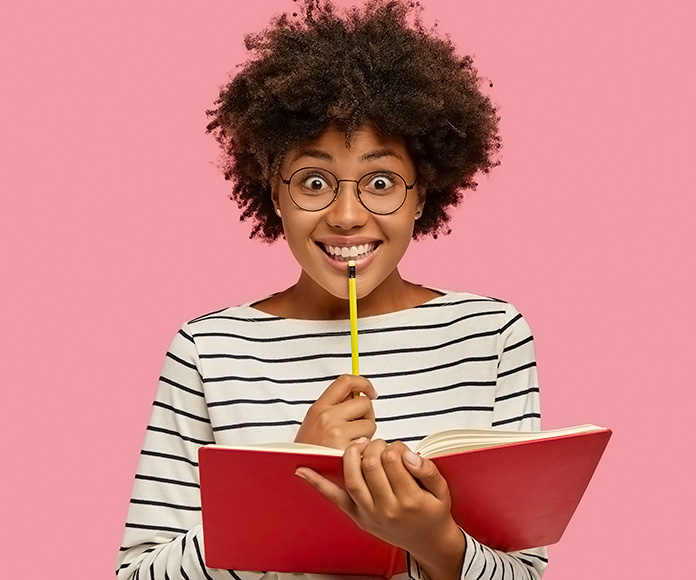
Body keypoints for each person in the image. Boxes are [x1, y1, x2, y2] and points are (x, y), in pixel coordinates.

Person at [116, 1, 547, 579]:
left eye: (381, 181)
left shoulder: (492, 336)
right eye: (315, 181)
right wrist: (290, 482)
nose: (347, 215)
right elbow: (138, 575)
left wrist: (435, 539)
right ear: (273, 191)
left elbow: (526, 572)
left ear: (422, 194)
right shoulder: (207, 350)